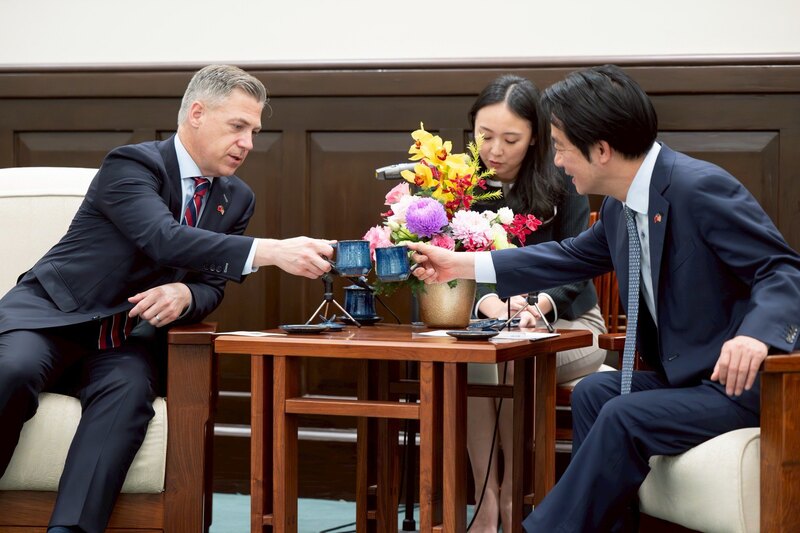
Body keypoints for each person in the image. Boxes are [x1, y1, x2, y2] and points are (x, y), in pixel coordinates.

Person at [407, 64, 800, 532]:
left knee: (621, 414)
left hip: (740, 386)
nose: (556, 161)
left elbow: (782, 268)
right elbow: (568, 257)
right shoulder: (621, 205)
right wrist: (461, 266)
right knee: (596, 393)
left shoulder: (699, 187)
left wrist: (757, 336)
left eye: (560, 147)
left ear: (601, 150)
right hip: (688, 380)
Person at [0, 64, 335, 533]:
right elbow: (162, 237)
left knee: (131, 391)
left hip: (123, 340)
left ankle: (71, 529)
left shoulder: (236, 198)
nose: (248, 143)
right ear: (197, 113)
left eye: (255, 131)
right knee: (10, 368)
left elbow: (210, 288)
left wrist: (185, 291)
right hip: (51, 319)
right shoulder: (132, 164)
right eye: (237, 126)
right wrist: (269, 251)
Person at [465, 74, 606, 532]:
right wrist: (485, 304)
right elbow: (446, 269)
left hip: (571, 323)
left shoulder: (565, 181)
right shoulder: (457, 185)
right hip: (492, 331)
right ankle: (486, 502)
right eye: (484, 136)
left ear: (535, 138)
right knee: (473, 359)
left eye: (511, 139)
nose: (495, 150)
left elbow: (578, 265)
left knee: (507, 358)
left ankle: (512, 497)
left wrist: (539, 304)